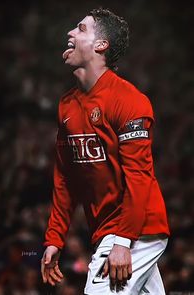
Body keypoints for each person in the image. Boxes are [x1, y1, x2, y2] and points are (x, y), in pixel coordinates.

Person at [41, 7, 170, 295]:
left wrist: (124, 240)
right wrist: (55, 238)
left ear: (101, 45)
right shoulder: (66, 105)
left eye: (81, 29)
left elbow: (139, 176)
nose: (70, 33)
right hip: (107, 231)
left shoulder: (129, 101)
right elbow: (65, 178)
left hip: (137, 228)